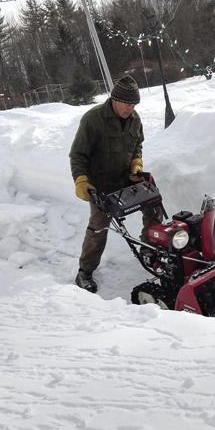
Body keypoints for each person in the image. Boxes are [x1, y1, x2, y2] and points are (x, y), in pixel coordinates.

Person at [69, 74, 145, 293]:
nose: (130, 109)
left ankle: (150, 248)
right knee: (99, 226)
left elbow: (137, 145)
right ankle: (85, 272)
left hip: (125, 179)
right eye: (127, 103)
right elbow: (78, 155)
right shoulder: (93, 119)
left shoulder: (134, 119)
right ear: (114, 99)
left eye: (134, 104)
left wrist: (136, 163)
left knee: (153, 202)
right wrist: (81, 179)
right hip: (100, 185)